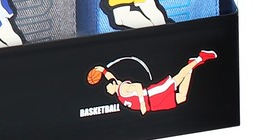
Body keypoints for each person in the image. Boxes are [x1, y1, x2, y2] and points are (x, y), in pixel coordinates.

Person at [89, 50, 217, 114]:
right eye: (107, 87)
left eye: (107, 87)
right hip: (153, 104)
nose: (107, 88)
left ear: (112, 86)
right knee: (182, 97)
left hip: (153, 95)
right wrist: (102, 70)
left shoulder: (122, 88)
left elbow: (138, 86)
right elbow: (110, 76)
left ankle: (201, 57)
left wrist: (142, 104)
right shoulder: (118, 89)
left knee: (178, 78)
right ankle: (191, 65)